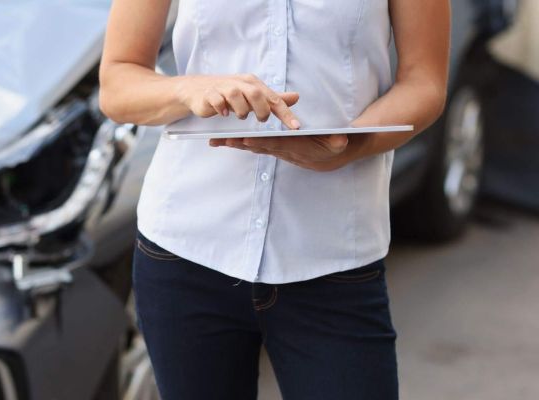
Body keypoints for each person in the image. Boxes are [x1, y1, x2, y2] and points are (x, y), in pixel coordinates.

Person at [98, 0, 450, 398]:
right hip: (187, 250)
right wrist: (189, 88)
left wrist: (350, 145)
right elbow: (117, 82)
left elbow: (425, 81)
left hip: (332, 256)